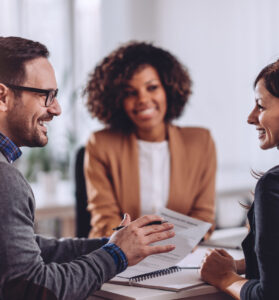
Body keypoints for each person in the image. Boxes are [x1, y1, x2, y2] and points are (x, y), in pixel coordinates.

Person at [0, 36, 176, 300]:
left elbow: (21, 250)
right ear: (2, 96)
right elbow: (34, 289)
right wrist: (116, 254)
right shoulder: (5, 179)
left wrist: (112, 244)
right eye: (46, 95)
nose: (56, 109)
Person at [84, 41, 217, 238]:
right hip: (119, 256)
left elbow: (202, 216)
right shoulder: (101, 144)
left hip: (179, 255)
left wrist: (170, 247)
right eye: (130, 93)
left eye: (152, 87)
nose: (143, 100)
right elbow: (105, 220)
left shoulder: (200, 142)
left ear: (168, 90)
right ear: (118, 100)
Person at [200, 52, 279, 299]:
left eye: (261, 106)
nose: (250, 117)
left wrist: (226, 278)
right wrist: (243, 265)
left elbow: (278, 296)